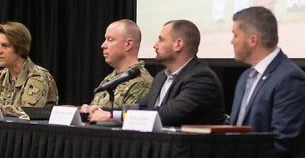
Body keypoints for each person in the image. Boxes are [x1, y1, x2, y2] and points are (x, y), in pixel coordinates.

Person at [228, 6, 305, 158]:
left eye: (235, 35)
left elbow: (283, 140)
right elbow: (234, 129)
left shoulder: (290, 78)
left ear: (252, 40)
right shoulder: (245, 76)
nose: (232, 41)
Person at [90, 20, 224, 125]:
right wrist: (103, 111)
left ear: (178, 44)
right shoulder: (161, 77)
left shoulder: (201, 78)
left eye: (161, 39)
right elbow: (141, 108)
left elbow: (167, 115)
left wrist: (111, 116)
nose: (155, 45)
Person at [81, 19, 153, 115]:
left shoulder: (141, 81)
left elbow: (130, 121)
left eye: (110, 40)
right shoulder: (110, 78)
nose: (103, 45)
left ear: (128, 44)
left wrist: (105, 116)